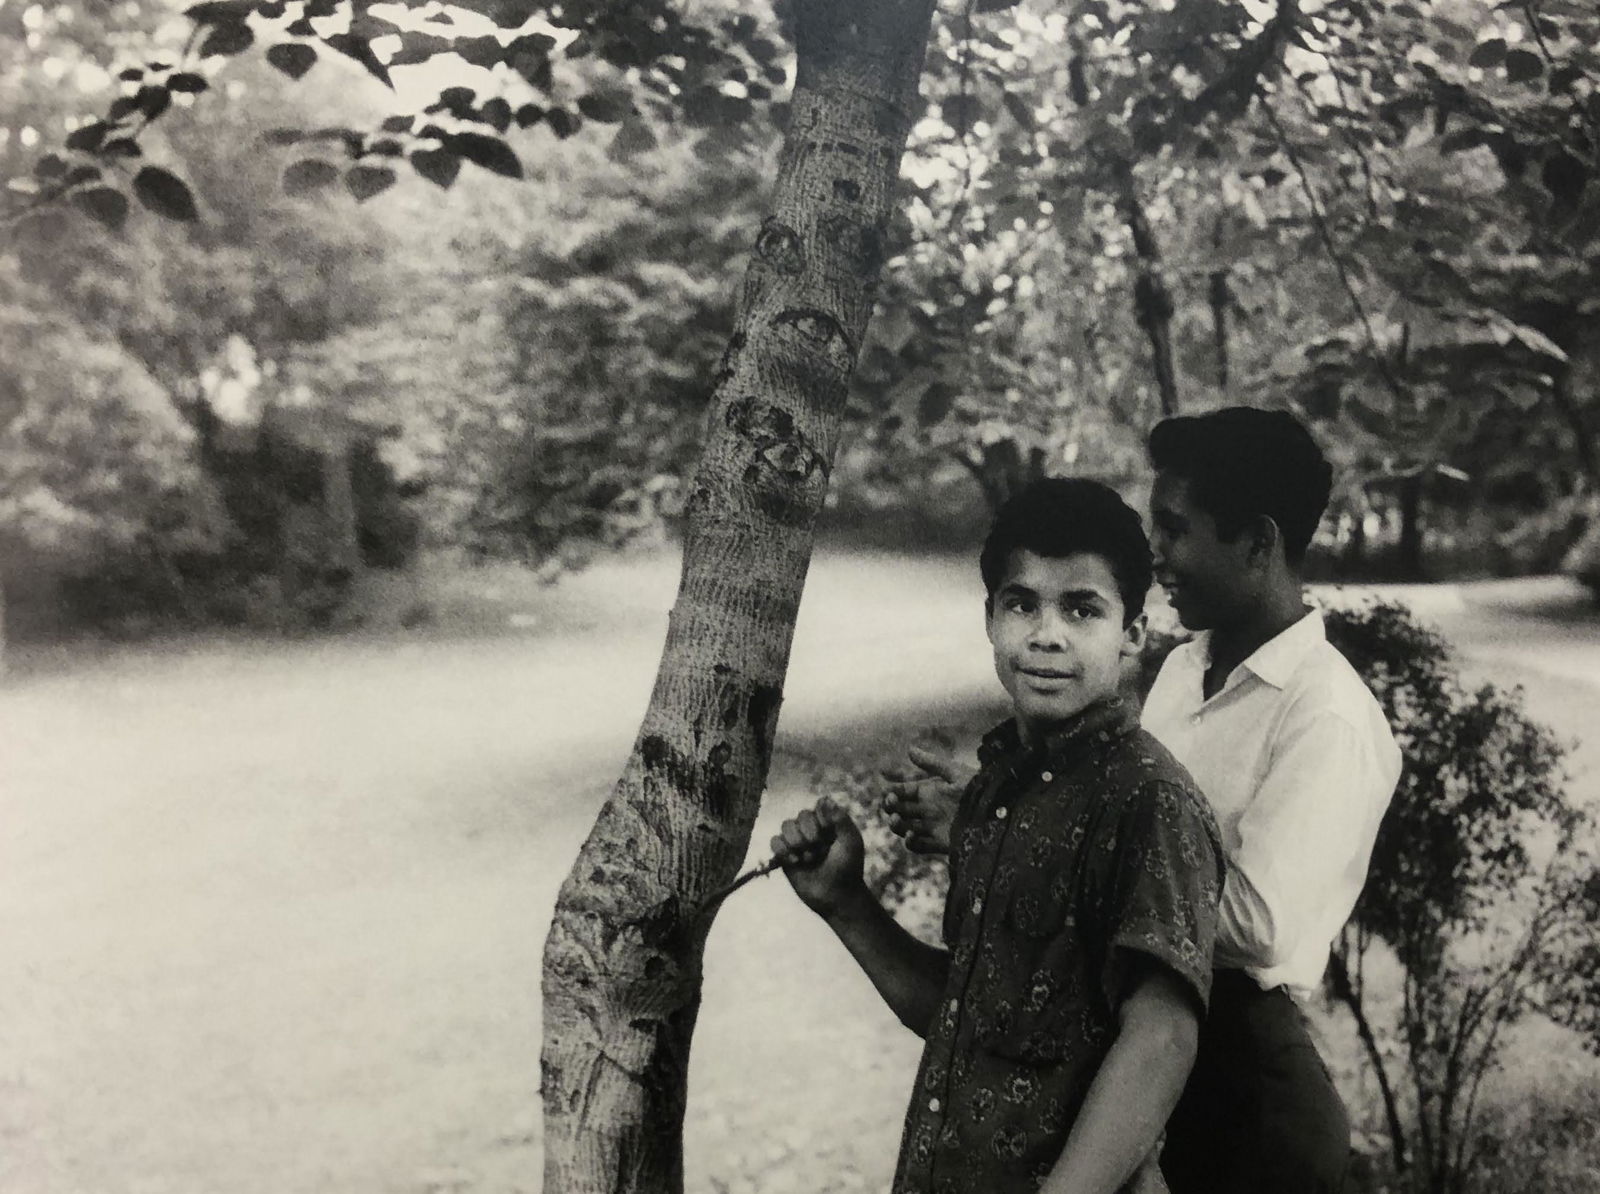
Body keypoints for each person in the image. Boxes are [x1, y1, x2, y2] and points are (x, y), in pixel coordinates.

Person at [885, 408, 1402, 1193]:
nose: (1156, 554)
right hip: (1117, 1038)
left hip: (1240, 1091)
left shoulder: (1327, 713)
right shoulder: (1184, 666)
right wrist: (1007, 819)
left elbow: (1256, 928)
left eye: (1175, 529)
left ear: (1258, 542)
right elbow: (1111, 814)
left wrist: (1016, 835)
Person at [773, 478, 1225, 1194]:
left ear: (1133, 632)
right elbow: (970, 1020)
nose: (1047, 634)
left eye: (1083, 609)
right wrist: (846, 905)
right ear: (990, 617)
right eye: (1023, 604)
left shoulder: (1148, 800)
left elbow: (1163, 1037)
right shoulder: (993, 794)